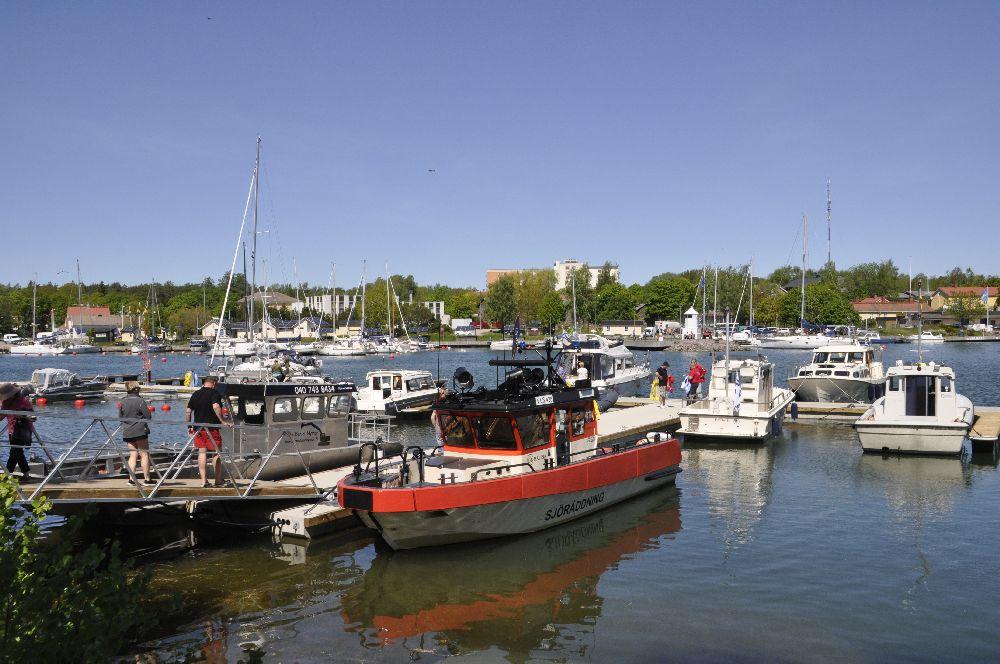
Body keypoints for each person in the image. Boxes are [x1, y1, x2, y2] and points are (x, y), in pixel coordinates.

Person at [186, 375, 233, 488]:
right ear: (214, 383)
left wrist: (189, 426)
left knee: (202, 453)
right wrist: (222, 420)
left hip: (199, 429)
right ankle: (218, 480)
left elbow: (188, 411)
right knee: (216, 453)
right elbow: (216, 406)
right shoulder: (214, 393)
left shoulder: (195, 394)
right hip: (211, 428)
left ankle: (204, 481)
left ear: (204, 383)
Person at [119, 381, 154, 485]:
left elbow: (120, 417)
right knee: (144, 454)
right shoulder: (140, 401)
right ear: (136, 389)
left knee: (133, 455)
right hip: (140, 431)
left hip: (127, 431)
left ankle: (131, 479)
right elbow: (148, 416)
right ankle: (147, 479)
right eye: (139, 388)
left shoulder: (123, 401)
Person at [1, 383, 34, 480]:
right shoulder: (6, 403)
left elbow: (33, 416)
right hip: (12, 431)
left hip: (23, 430)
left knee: (14, 452)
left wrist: (22, 415)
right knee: (18, 452)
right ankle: (26, 473)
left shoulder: (24, 401)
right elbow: (1, 417)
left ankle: (7, 475)